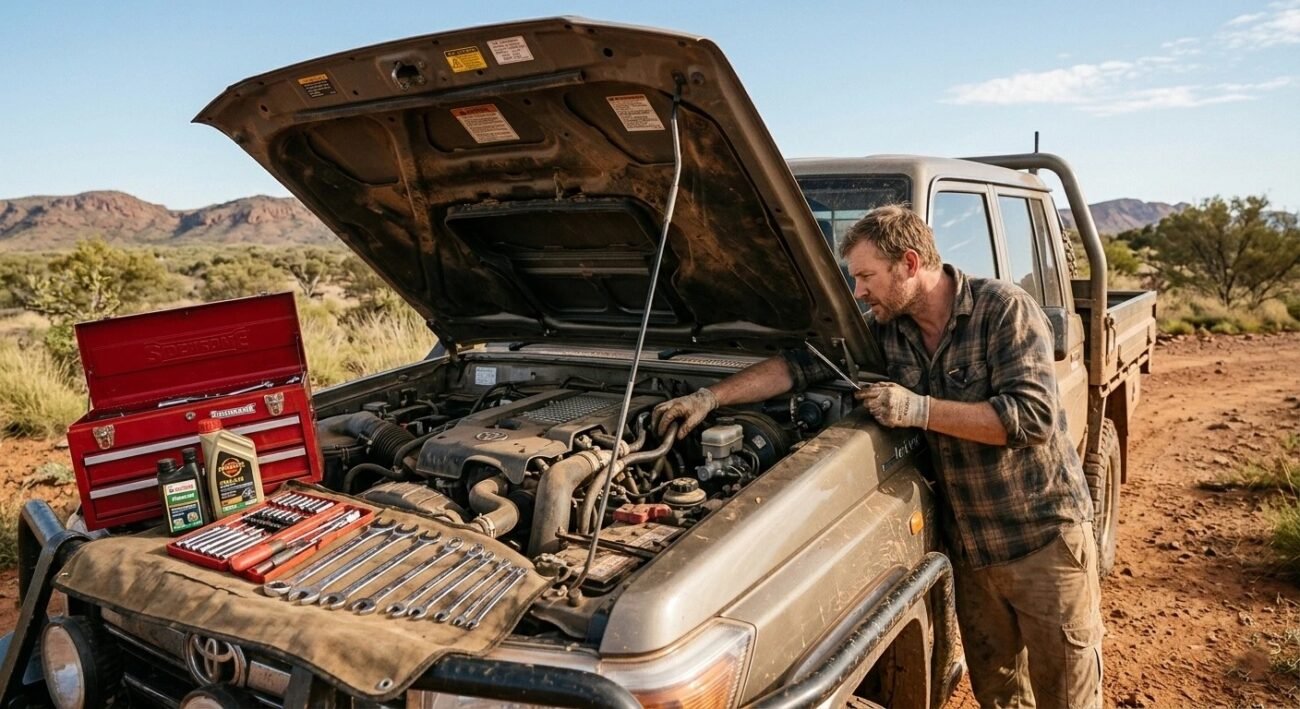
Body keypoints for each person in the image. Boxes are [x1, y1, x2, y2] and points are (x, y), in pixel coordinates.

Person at [652, 205, 1103, 708]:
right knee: (999, 695)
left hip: (1042, 540)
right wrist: (710, 398)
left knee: (1067, 695)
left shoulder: (1004, 310)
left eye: (866, 276)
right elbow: (799, 368)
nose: (859, 292)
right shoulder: (888, 331)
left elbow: (1032, 419)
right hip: (972, 550)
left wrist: (918, 409)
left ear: (909, 264)